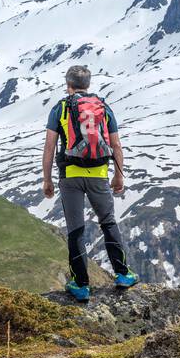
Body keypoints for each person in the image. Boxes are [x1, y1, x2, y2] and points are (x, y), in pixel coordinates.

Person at [41, 65, 138, 303]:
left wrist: (47, 179)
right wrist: (119, 175)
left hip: (71, 176)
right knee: (108, 222)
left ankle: (81, 285)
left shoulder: (61, 107)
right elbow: (115, 145)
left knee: (76, 230)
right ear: (88, 84)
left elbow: (50, 146)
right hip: (99, 174)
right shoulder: (103, 108)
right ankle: (123, 274)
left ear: (68, 85)